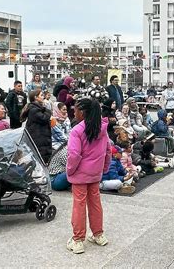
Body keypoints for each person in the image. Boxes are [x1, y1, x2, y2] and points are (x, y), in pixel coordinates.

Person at [66, 98, 111, 254]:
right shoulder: (102, 129)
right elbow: (108, 152)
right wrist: (103, 169)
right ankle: (98, 234)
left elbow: (74, 154)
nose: (74, 112)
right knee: (95, 203)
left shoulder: (77, 131)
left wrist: (70, 171)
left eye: (76, 109)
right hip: (95, 174)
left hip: (80, 174)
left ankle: (78, 240)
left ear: (82, 112)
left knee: (79, 204)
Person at [21, 89, 53, 164]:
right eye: (41, 95)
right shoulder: (33, 110)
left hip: (41, 137)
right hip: (38, 138)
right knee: (40, 159)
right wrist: (48, 111)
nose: (43, 97)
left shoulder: (38, 108)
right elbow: (44, 118)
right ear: (36, 97)